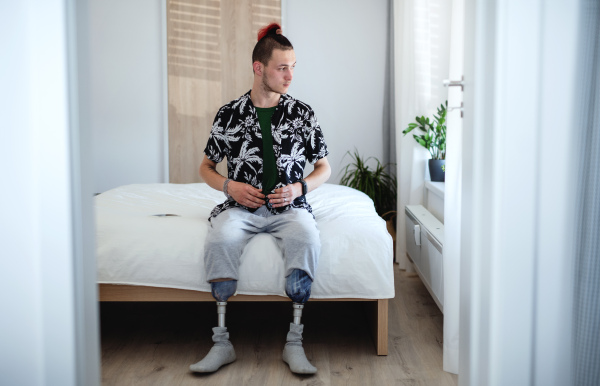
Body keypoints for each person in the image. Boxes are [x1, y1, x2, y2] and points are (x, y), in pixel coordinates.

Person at [189, 23, 331, 375]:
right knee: (220, 238)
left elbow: (324, 167)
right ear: (259, 68)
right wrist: (228, 187)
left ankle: (294, 341)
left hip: (291, 208)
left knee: (308, 238)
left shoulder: (303, 113)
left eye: (293, 66)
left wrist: (299, 188)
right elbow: (206, 167)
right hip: (240, 208)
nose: (290, 75)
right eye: (283, 67)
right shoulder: (229, 114)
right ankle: (221, 343)